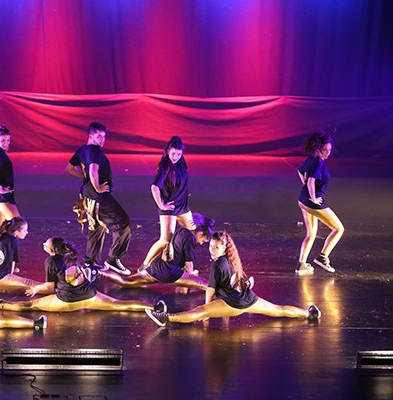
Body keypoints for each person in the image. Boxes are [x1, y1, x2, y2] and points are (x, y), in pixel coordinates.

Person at [145, 231, 322, 327]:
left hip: (234, 304)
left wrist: (206, 311)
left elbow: (210, 291)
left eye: (216, 248)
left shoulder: (217, 265)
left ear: (224, 249)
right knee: (278, 310)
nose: (212, 250)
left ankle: (167, 318)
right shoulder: (232, 259)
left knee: (198, 311)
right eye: (211, 246)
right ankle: (309, 313)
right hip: (249, 299)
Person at [0, 237, 167, 314]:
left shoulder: (51, 261)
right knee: (119, 304)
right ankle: (154, 308)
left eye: (45, 245)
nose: (43, 245)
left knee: (31, 305)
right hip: (90, 296)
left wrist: (36, 289)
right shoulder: (71, 256)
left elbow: (50, 287)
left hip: (68, 300)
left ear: (52, 250)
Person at [66, 122, 132, 275]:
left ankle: (90, 262)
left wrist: (87, 180)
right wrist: (97, 186)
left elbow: (69, 168)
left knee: (97, 227)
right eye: (99, 136)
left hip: (87, 196)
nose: (102, 140)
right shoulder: (95, 151)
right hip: (98, 197)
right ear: (90, 136)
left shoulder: (83, 150)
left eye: (104, 136)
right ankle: (114, 258)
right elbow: (93, 169)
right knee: (123, 223)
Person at [98, 213, 214, 291]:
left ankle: (98, 272)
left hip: (156, 268)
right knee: (204, 284)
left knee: (127, 282)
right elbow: (189, 267)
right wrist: (192, 275)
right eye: (203, 240)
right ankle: (223, 292)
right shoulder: (190, 239)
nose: (201, 243)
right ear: (200, 233)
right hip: (169, 274)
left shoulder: (182, 231)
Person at [140, 136, 195, 270]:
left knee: (192, 233)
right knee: (165, 239)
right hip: (169, 207)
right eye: (173, 153)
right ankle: (145, 265)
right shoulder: (165, 166)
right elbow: (154, 187)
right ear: (168, 151)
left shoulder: (181, 161)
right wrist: (161, 205)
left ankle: (183, 265)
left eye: (179, 154)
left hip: (182, 206)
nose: (175, 157)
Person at [295, 130, 344, 275]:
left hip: (302, 201)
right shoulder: (318, 163)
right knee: (338, 229)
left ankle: (301, 265)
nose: (328, 153)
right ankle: (323, 257)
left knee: (311, 234)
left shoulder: (312, 159)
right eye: (325, 150)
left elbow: (300, 170)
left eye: (329, 150)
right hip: (312, 203)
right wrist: (314, 198)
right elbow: (311, 181)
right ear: (318, 149)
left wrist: (304, 184)